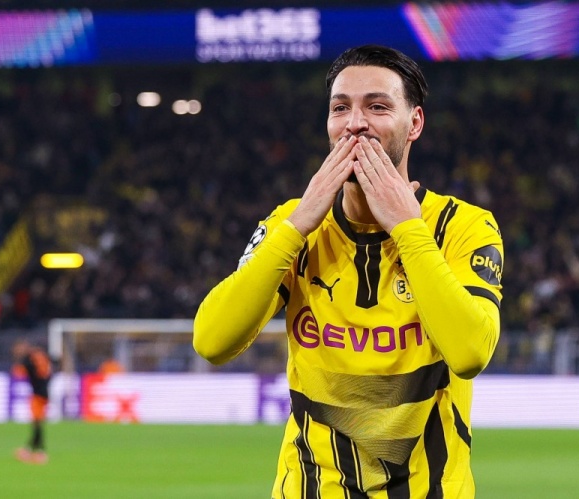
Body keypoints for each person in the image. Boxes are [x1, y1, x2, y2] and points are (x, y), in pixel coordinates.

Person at [194, 45, 503, 497]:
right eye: (340, 108)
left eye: (377, 106)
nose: (355, 123)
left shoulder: (463, 227)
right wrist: (297, 225)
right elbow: (212, 341)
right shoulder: (293, 226)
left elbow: (471, 352)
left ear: (415, 123)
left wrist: (407, 229)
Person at [11, 339, 52, 464]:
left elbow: (17, 372)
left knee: (37, 424)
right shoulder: (41, 356)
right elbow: (48, 372)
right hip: (44, 392)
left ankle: (39, 451)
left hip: (37, 394)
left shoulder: (28, 360)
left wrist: (18, 362)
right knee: (37, 423)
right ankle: (30, 450)